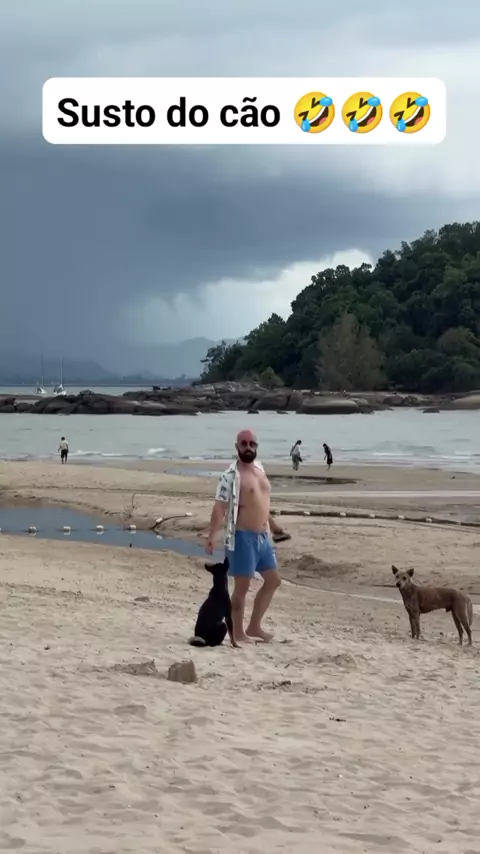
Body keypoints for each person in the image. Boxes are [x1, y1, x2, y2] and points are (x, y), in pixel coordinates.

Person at [206, 429, 281, 645]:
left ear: (256, 446)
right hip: (242, 538)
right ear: (237, 446)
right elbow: (219, 507)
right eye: (244, 443)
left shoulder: (260, 469)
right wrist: (212, 535)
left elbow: (262, 503)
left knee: (273, 581)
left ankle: (254, 626)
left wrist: (274, 526)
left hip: (263, 538)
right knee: (242, 588)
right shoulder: (229, 476)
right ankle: (238, 632)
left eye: (252, 444)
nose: (248, 447)